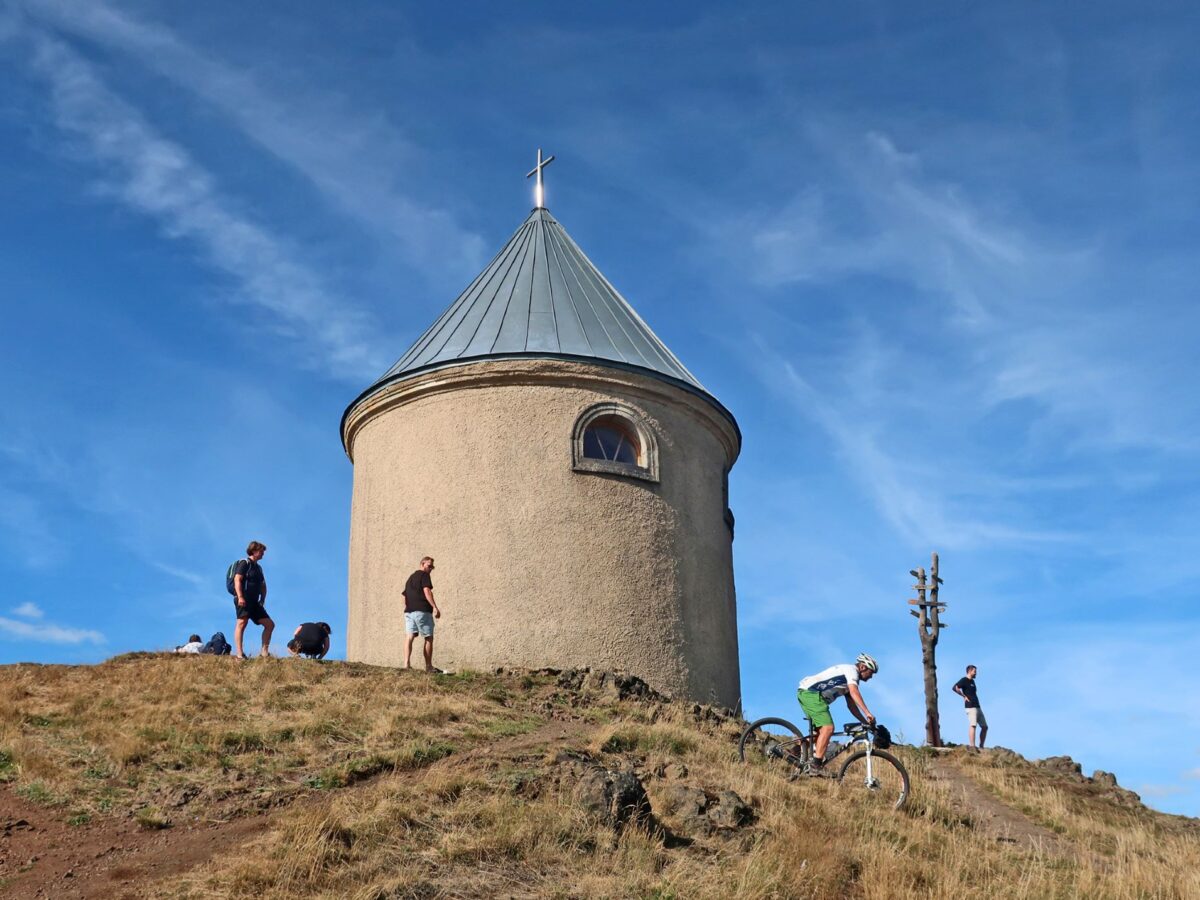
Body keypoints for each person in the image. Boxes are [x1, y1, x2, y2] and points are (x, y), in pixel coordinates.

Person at [796, 653, 879, 774]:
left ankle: (793, 752)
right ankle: (816, 766)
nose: (871, 677)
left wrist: (865, 723)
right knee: (828, 728)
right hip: (812, 694)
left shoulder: (850, 679)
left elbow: (852, 706)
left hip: (810, 695)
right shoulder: (852, 671)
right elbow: (854, 692)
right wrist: (867, 713)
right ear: (862, 667)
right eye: (871, 672)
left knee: (819, 735)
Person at [232, 540, 274, 659]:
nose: (263, 554)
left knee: (269, 624)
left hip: (255, 602)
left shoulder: (258, 568)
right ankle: (239, 654)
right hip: (244, 598)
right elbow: (237, 579)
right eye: (261, 551)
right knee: (242, 623)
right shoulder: (245, 563)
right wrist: (240, 596)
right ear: (254, 551)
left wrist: (263, 599)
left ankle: (264, 653)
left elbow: (263, 585)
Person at [402, 556, 441, 671]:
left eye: (432, 567)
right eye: (429, 566)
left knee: (409, 637)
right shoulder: (424, 575)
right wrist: (434, 607)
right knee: (428, 637)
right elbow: (427, 591)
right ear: (422, 564)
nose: (431, 569)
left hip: (409, 612)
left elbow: (405, 596)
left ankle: (406, 664)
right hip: (422, 611)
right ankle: (429, 666)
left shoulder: (410, 578)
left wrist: (408, 608)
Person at [953, 664, 987, 750]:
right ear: (970, 671)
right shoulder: (964, 680)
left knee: (985, 727)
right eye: (975, 671)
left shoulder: (972, 681)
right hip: (970, 706)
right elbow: (955, 687)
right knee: (973, 725)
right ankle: (972, 746)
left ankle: (981, 746)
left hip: (977, 706)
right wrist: (963, 696)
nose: (976, 673)